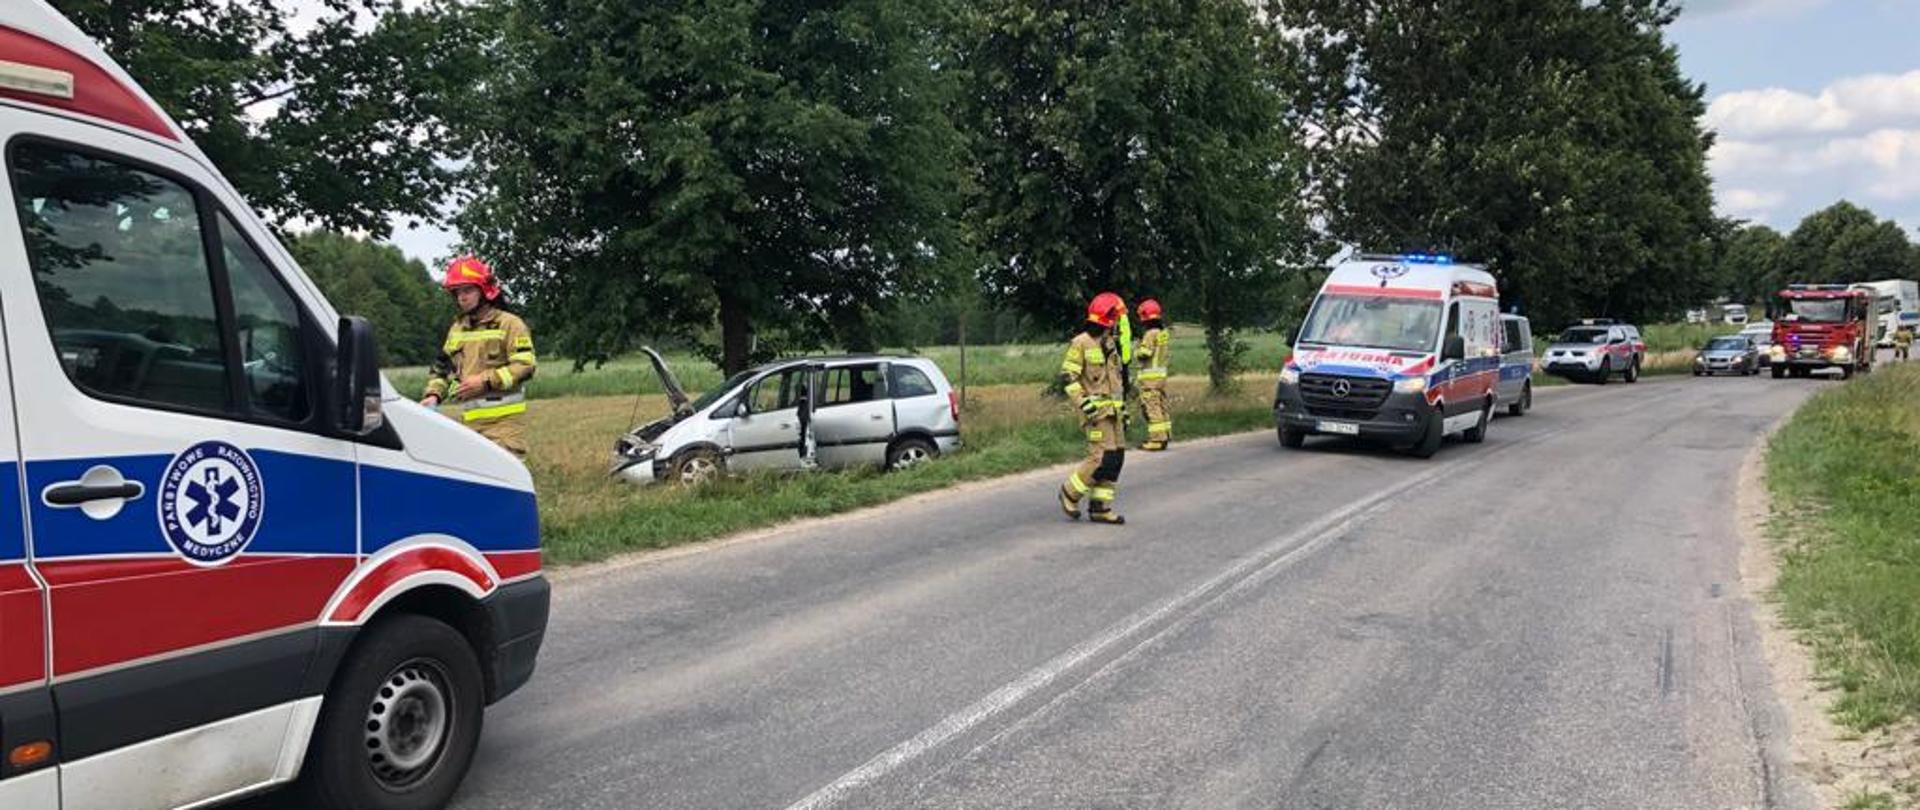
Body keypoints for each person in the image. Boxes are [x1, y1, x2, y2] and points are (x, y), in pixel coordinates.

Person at [422, 256, 537, 456]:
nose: (461, 297)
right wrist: (433, 395)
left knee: (503, 478)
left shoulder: (510, 324)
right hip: (468, 424)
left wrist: (485, 381)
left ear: (485, 291)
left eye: (467, 290)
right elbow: (442, 368)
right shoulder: (457, 329)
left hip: (505, 425)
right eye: (457, 292)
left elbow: (525, 365)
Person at [1059, 292, 1128, 525]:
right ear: (1107, 318)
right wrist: (1084, 404)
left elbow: (1115, 381)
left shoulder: (1110, 344)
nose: (1118, 323)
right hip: (1095, 414)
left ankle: (1100, 507)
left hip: (1113, 413)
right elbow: (1068, 376)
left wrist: (1123, 410)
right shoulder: (1081, 343)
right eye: (1115, 318)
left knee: (1115, 459)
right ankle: (1070, 492)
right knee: (1099, 458)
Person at [1134, 299, 1173, 451]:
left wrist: (1136, 351)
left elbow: (1145, 353)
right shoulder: (1162, 333)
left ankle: (1157, 440)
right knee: (1161, 405)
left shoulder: (1150, 334)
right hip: (1161, 377)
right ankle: (1165, 435)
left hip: (1150, 379)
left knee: (1152, 407)